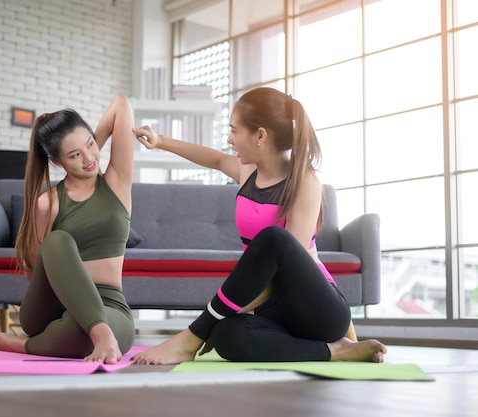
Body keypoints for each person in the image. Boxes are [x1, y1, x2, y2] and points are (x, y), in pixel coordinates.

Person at [131, 87, 387, 365]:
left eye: (234, 131)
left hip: (318, 309)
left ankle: (193, 334)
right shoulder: (248, 171)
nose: (229, 140)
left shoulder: (305, 182)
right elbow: (214, 159)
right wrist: (160, 141)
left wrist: (220, 311)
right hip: (273, 310)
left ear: (260, 136)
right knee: (228, 336)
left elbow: (289, 266)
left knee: (274, 239)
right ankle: (336, 351)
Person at [0, 94, 136, 364]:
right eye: (74, 155)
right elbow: (35, 270)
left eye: (90, 144)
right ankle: (98, 332)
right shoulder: (48, 203)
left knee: (81, 331)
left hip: (110, 304)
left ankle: (27, 344)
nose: (89, 158)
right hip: (50, 308)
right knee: (57, 241)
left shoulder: (116, 182)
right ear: (57, 161)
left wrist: (84, 145)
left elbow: (121, 104)